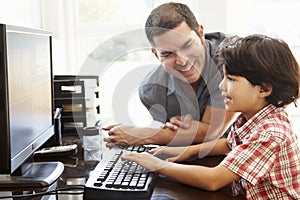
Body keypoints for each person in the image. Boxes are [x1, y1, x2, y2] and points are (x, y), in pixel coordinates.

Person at [121, 34, 300, 199]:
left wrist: (157, 165)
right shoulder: (253, 116)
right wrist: (187, 151)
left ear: (264, 89)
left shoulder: (270, 133)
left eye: (231, 79)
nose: (221, 86)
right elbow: (229, 144)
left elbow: (213, 179)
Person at [104, 2, 236, 147]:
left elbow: (211, 131)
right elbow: (176, 141)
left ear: (201, 33)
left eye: (187, 45)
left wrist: (143, 134)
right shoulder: (152, 91)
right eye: (167, 53)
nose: (182, 60)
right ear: (156, 54)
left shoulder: (233, 57)